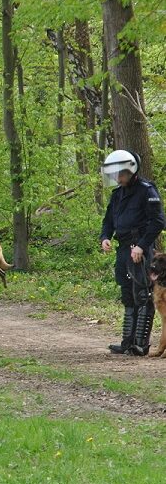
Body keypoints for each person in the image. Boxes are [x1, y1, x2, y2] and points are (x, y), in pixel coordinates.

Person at [101, 150, 166, 355]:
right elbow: (108, 220)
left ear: (131, 171)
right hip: (123, 249)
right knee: (127, 294)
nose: (118, 178)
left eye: (121, 173)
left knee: (142, 294)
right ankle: (127, 342)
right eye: (116, 174)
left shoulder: (147, 191)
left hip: (141, 249)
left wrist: (141, 245)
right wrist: (105, 237)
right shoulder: (117, 194)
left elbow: (158, 221)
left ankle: (141, 344)